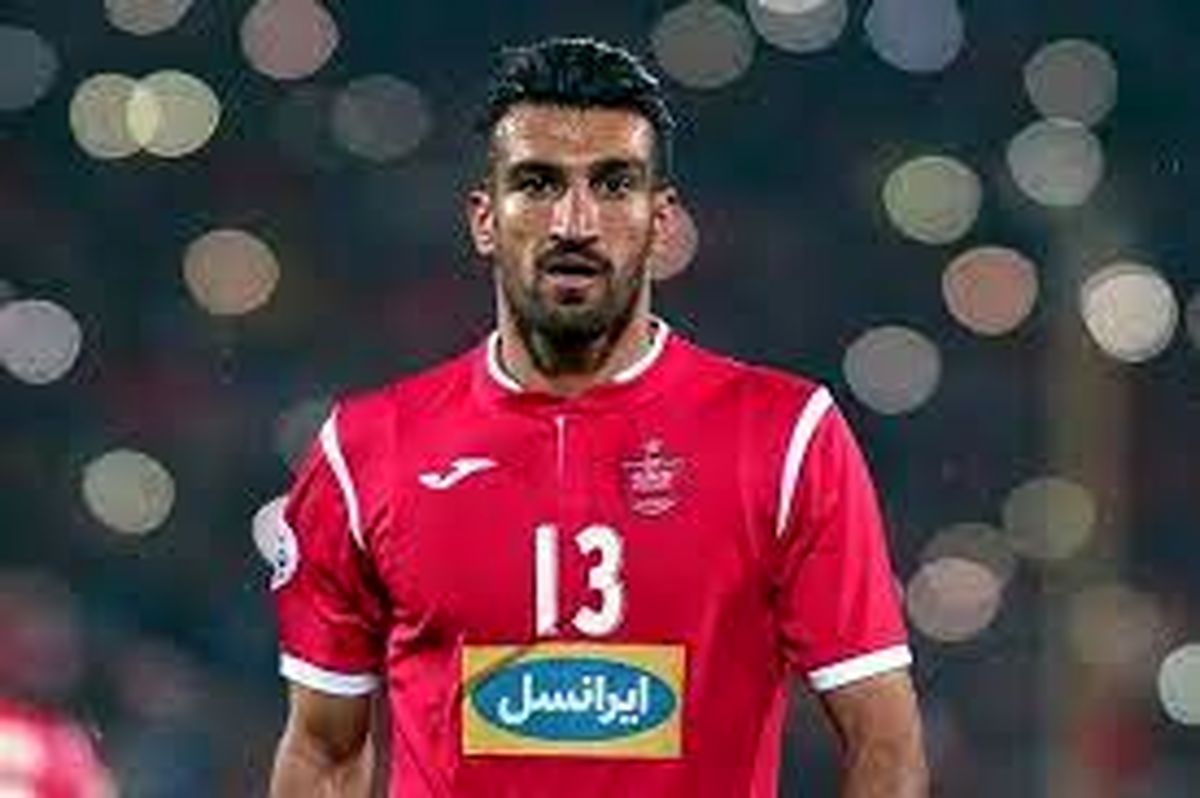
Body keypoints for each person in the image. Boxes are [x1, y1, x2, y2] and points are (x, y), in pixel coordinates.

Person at [267, 37, 927, 797]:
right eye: (538, 183)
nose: (575, 222)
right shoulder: (365, 450)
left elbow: (885, 741)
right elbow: (323, 752)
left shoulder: (786, 438)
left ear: (661, 221)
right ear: (485, 219)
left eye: (613, 185)